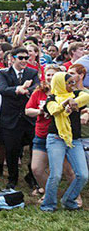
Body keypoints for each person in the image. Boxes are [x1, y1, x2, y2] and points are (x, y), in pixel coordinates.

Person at [41, 72, 89, 212]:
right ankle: (48, 205)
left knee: (83, 174)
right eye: (68, 83)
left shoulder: (77, 95)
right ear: (60, 83)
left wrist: (74, 102)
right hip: (56, 139)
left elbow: (86, 96)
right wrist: (65, 103)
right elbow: (54, 110)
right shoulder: (51, 98)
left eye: (72, 82)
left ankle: (68, 200)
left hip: (75, 140)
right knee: (55, 174)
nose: (71, 85)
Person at [0, 47, 40, 190]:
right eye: (21, 58)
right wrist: (17, 89)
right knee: (12, 150)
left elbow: (37, 88)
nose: (24, 61)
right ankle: (12, 178)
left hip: (29, 118)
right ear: (13, 58)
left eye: (26, 58)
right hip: (11, 118)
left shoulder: (32, 72)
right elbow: (2, 89)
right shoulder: (3, 73)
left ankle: (31, 177)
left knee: (35, 149)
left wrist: (26, 90)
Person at [25, 65, 61, 197]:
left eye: (54, 74)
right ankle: (49, 191)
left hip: (58, 136)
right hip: (41, 134)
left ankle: (49, 195)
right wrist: (40, 111)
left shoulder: (64, 93)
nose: (51, 77)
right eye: (48, 75)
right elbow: (28, 110)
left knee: (54, 170)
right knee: (36, 169)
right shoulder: (39, 92)